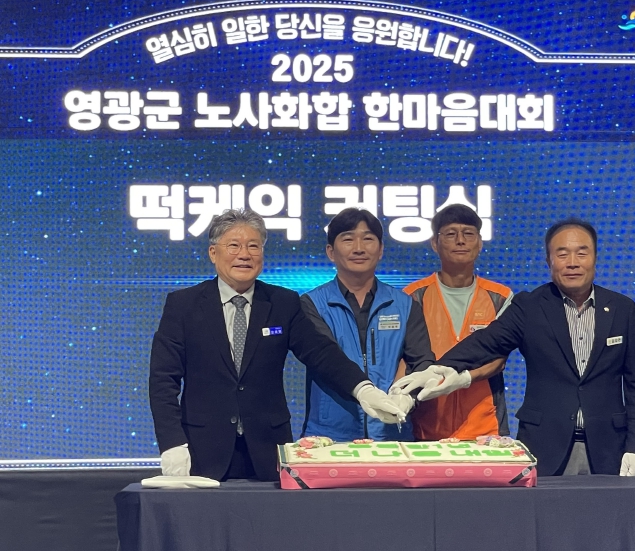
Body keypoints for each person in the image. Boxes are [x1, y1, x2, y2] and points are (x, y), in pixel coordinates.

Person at [149, 209, 405, 482]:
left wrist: (363, 389)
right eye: (233, 245)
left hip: (268, 451)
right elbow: (163, 380)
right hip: (201, 450)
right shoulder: (183, 306)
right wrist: (172, 443)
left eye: (253, 246)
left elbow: (321, 353)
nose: (244, 255)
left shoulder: (283, 303)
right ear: (213, 253)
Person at [393, 219, 635, 477]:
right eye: (562, 254)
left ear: (595, 257)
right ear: (549, 261)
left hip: (610, 448)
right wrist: (438, 369)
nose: (572, 262)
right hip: (545, 446)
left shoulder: (622, 309)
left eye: (581, 253)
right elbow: (485, 342)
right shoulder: (530, 306)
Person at [300, 208, 435, 441]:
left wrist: (407, 396)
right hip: (329, 436)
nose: (359, 248)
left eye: (368, 239)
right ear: (330, 252)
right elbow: (324, 360)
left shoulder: (404, 304)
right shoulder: (311, 304)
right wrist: (364, 391)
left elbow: (421, 361)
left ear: (381, 250)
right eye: (348, 239)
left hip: (391, 434)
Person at [404, 204, 513, 440]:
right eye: (451, 234)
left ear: (480, 243)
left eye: (469, 233)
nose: (460, 241)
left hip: (486, 426)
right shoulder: (413, 296)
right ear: (435, 243)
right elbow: (405, 358)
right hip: (426, 425)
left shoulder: (501, 297)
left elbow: (499, 359)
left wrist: (464, 379)